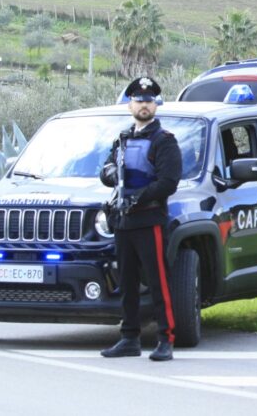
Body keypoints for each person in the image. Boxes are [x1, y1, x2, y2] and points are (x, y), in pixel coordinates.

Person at [99, 76, 182, 361]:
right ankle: (129, 338)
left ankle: (166, 339)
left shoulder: (165, 141)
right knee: (127, 281)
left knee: (159, 281)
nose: (143, 105)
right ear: (129, 105)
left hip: (149, 220)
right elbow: (106, 169)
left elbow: (169, 182)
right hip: (123, 221)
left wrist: (140, 197)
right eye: (138, 100)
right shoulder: (122, 139)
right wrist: (111, 174)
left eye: (148, 100)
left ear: (155, 105)